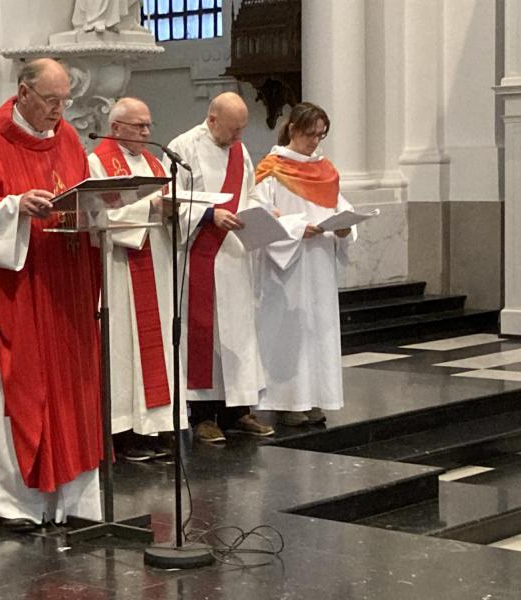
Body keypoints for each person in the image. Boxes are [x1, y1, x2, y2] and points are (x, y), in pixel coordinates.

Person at [0, 58, 103, 532]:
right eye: (52, 101)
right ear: (23, 93)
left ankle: (72, 502)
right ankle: (12, 503)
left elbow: (81, 194)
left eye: (65, 101)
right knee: (17, 390)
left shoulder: (70, 139)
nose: (61, 110)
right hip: (18, 291)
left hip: (66, 286)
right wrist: (14, 208)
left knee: (73, 392)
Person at [165, 92, 273, 444]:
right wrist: (209, 215)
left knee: (238, 334)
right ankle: (203, 416)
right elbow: (170, 201)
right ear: (212, 119)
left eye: (242, 129)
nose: (239, 138)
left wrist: (257, 215)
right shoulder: (184, 148)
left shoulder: (239, 150)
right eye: (233, 129)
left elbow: (251, 193)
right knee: (205, 336)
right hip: (201, 255)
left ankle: (237, 410)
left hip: (235, 256)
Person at [87, 97, 186, 462]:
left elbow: (165, 210)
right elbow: (98, 216)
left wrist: (176, 211)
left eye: (148, 125)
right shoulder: (96, 163)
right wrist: (152, 206)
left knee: (155, 347)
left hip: (154, 264)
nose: (146, 132)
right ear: (115, 128)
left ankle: (155, 427)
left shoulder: (155, 162)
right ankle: (124, 433)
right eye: (138, 126)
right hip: (119, 267)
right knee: (123, 352)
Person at [254, 102, 355, 426]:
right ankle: (287, 400)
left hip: (320, 262)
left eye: (321, 135)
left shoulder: (325, 169)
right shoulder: (272, 168)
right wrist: (298, 227)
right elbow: (259, 212)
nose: (315, 141)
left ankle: (314, 398)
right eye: (310, 134)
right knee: (290, 331)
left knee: (318, 329)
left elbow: (341, 206)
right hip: (288, 264)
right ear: (294, 130)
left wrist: (344, 227)